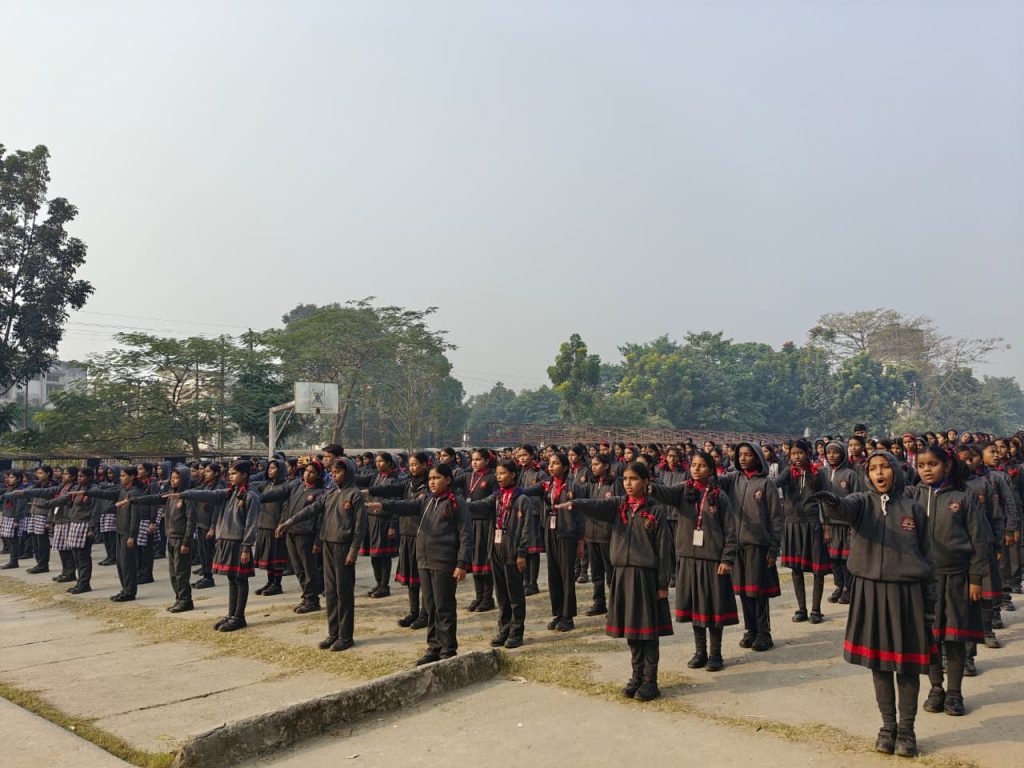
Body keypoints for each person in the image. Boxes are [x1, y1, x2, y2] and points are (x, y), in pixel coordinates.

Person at [814, 452, 935, 758]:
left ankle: (907, 730)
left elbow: (928, 555)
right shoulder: (862, 502)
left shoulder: (913, 508)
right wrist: (830, 501)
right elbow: (843, 509)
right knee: (879, 665)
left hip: (906, 594)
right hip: (869, 591)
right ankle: (887, 727)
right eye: (873, 469)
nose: (879, 473)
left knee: (907, 665)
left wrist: (930, 603)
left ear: (895, 470)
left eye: (884, 467)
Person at [554, 461, 673, 702]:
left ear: (646, 481)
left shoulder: (656, 511)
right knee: (632, 630)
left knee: (648, 632)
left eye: (634, 479)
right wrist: (576, 504)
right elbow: (596, 505)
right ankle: (636, 676)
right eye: (626, 479)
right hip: (622, 574)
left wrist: (662, 584)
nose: (628, 483)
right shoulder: (619, 505)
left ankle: (650, 681)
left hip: (645, 577)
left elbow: (664, 550)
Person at [908, 446, 986, 717]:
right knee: (930, 637)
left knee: (954, 638)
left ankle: (954, 692)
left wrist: (975, 578)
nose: (926, 470)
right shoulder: (912, 497)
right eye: (921, 465)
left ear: (947, 465)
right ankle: (936, 688)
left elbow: (979, 540)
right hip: (925, 580)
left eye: (933, 464)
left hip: (957, 577)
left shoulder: (963, 497)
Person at [368, 463, 472, 665]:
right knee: (430, 606)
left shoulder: (456, 503)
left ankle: (448, 649)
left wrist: (461, 563)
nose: (432, 482)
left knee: (444, 607)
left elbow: (466, 535)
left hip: (444, 562)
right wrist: (384, 505)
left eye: (436, 478)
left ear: (448, 480)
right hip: (424, 560)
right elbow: (406, 506)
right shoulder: (426, 501)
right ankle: (433, 647)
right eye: (430, 478)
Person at [650, 451, 738, 671]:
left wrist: (727, 558)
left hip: (713, 561)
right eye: (694, 465)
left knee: (714, 609)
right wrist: (646, 479)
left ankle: (715, 654)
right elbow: (663, 493)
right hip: (688, 558)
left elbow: (730, 529)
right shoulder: (682, 490)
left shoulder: (719, 495)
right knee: (696, 608)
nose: (696, 469)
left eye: (702, 466)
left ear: (711, 470)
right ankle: (700, 652)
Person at [277, 458, 366, 651]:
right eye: (332, 472)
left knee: (344, 593)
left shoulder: (355, 495)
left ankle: (345, 636)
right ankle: (333, 633)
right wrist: (289, 522)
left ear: (348, 473)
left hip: (343, 547)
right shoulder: (331, 493)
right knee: (331, 592)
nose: (334, 476)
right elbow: (311, 509)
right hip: (328, 546)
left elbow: (360, 527)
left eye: (338, 472)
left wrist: (353, 550)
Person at [176, 461, 261, 632]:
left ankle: (239, 617)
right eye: (229, 474)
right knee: (231, 579)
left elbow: (251, 524)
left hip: (238, 543)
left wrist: (246, 547)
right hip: (226, 540)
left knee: (240, 579)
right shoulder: (230, 492)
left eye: (234, 473)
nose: (230, 477)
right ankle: (231, 614)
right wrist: (184, 494)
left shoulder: (251, 495)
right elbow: (208, 494)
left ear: (244, 475)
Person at [718, 443, 783, 652]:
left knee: (758, 592)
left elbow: (776, 518)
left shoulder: (766, 484)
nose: (743, 458)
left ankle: (764, 633)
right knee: (744, 591)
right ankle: (750, 630)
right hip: (737, 546)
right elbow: (714, 481)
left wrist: (774, 548)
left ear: (757, 457)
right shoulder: (732, 479)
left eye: (748, 455)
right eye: (740, 455)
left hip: (759, 546)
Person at [466, 459, 533, 648]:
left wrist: (522, 553)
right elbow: (479, 505)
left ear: (513, 474)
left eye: (503, 473)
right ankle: (503, 630)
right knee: (501, 594)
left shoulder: (522, 499)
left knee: (515, 595)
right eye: (497, 474)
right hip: (496, 549)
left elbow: (527, 528)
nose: (499, 477)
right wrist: (460, 504)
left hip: (513, 551)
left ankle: (516, 632)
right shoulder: (496, 497)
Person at [366, 452, 431, 628]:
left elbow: (410, 506)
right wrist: (370, 490)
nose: (412, 468)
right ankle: (413, 612)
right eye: (410, 465)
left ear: (425, 465)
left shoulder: (429, 485)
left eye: (415, 464)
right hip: (406, 534)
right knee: (411, 578)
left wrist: (384, 505)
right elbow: (390, 489)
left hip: (422, 534)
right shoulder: (407, 483)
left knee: (423, 577)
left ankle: (425, 614)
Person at [775, 440, 830, 624]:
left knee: (817, 570)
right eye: (793, 453)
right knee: (796, 569)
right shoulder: (787, 472)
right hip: (792, 524)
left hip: (813, 523)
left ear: (807, 453)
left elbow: (826, 501)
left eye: (800, 453)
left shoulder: (818, 473)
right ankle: (801, 609)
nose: (796, 457)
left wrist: (827, 526)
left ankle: (816, 610)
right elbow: (775, 483)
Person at [821, 441, 860, 605]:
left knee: (846, 558)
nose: (831, 455)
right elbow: (820, 500)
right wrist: (825, 524)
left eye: (835, 452)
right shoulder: (823, 474)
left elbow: (857, 498)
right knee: (834, 558)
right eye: (829, 452)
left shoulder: (850, 475)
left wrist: (854, 523)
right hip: (830, 524)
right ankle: (839, 585)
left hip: (846, 524)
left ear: (843, 454)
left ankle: (848, 588)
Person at [253, 458, 291, 597]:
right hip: (263, 525)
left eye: (273, 468)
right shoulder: (266, 485)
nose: (270, 471)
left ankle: (277, 584)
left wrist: (281, 524)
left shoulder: (285, 487)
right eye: (269, 468)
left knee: (276, 557)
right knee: (268, 558)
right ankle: (270, 582)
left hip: (275, 526)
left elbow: (286, 509)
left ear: (280, 470)